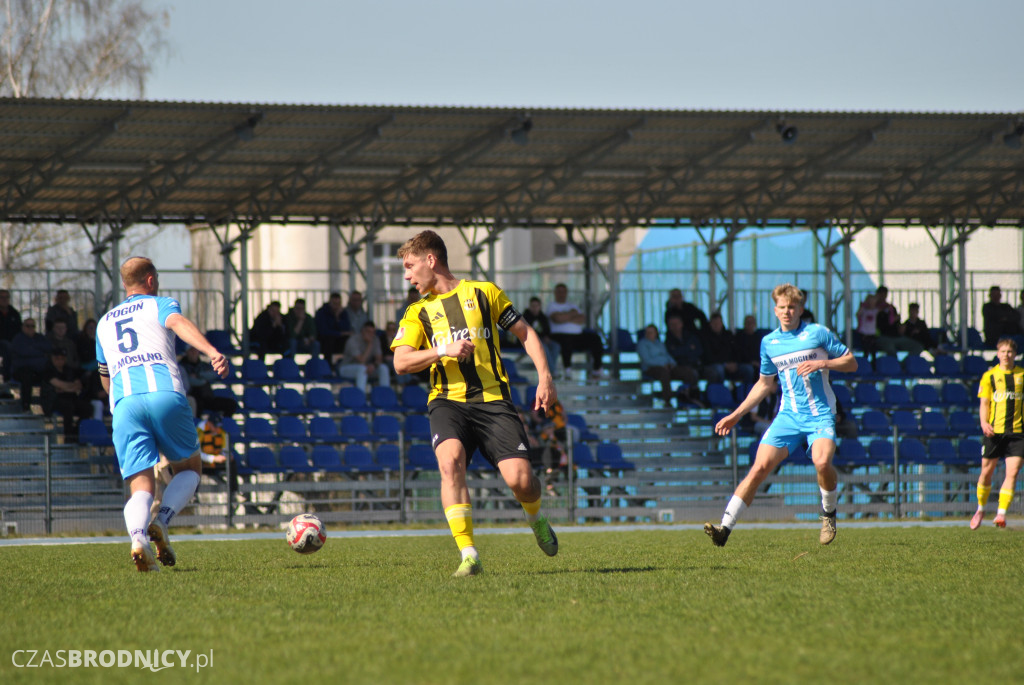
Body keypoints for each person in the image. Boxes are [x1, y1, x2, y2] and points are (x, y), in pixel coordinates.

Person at [390, 230, 558, 577]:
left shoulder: (484, 292)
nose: (407, 276)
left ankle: (536, 517)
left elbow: (525, 332)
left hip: (493, 399)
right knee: (449, 463)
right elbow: (401, 362)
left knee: (521, 481)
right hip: (447, 401)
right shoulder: (416, 312)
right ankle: (469, 555)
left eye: (409, 266)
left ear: (430, 260)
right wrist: (443, 350)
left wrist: (544, 376)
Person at [95, 256, 228, 572]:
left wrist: (118, 403)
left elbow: (105, 375)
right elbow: (178, 324)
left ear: (124, 284)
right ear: (151, 280)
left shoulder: (104, 322)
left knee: (140, 485)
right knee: (190, 468)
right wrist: (212, 352)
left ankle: (138, 539)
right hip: (164, 395)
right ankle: (162, 522)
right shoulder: (161, 304)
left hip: (124, 403)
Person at [706, 284, 857, 547]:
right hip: (788, 418)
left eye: (792, 307)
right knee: (758, 468)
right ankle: (724, 529)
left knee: (822, 463)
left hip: (820, 415)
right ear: (775, 310)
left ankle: (829, 513)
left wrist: (823, 363)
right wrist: (736, 414)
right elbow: (764, 384)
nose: (787, 311)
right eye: (782, 307)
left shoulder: (817, 333)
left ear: (800, 309)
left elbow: (852, 362)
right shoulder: (769, 343)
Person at [969, 337, 1024, 529]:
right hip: (994, 432)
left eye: (1009, 352)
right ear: (997, 353)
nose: (1006, 355)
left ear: (1015, 354)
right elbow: (984, 403)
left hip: (1017, 433)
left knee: (1013, 472)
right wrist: (984, 422)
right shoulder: (989, 376)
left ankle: (1001, 513)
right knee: (986, 472)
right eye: (1002, 351)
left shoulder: (1022, 375)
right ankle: (981, 508)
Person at [547, 283, 605, 379]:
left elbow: (582, 319)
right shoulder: (551, 306)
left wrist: (564, 316)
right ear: (555, 293)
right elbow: (557, 319)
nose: (561, 294)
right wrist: (572, 314)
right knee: (566, 340)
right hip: (559, 336)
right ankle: (567, 370)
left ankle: (597, 369)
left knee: (595, 338)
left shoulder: (572, 305)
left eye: (563, 292)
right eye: (559, 292)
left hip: (577, 336)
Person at [636, 323, 698, 404]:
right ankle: (668, 400)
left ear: (656, 333)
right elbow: (647, 360)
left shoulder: (660, 343)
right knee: (663, 373)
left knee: (686, 372)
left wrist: (672, 364)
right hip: (651, 368)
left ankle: (690, 395)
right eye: (647, 332)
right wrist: (663, 365)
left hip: (667, 366)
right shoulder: (642, 344)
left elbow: (667, 355)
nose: (649, 334)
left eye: (651, 332)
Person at [40, 348, 91, 441]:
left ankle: (76, 434)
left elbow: (78, 385)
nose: (60, 361)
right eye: (57, 358)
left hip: (71, 398)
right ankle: (68, 437)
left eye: (62, 358)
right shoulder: (48, 371)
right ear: (52, 358)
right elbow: (60, 384)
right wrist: (69, 386)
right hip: (53, 401)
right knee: (68, 407)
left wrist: (66, 388)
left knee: (87, 408)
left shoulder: (69, 370)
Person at [178, 345, 239, 416]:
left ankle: (220, 421)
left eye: (195, 350)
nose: (194, 353)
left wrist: (198, 375)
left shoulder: (203, 365)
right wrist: (203, 379)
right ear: (187, 352)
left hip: (207, 397)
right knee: (196, 403)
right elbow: (189, 381)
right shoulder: (181, 366)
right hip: (192, 396)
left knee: (231, 404)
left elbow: (213, 375)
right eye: (191, 350)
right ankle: (198, 422)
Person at [700, 311, 755, 385]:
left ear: (722, 323)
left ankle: (747, 390)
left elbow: (737, 351)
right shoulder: (705, 337)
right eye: (714, 323)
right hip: (715, 365)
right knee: (719, 370)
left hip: (732, 365)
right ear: (710, 324)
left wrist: (735, 363)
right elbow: (708, 357)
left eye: (718, 323)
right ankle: (721, 391)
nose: (716, 325)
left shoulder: (728, 335)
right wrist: (725, 364)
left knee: (748, 369)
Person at [336, 321, 390, 393]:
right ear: (362, 331)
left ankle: (385, 395)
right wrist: (370, 344)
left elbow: (379, 359)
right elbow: (361, 361)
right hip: (346, 368)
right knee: (362, 369)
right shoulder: (353, 340)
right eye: (368, 331)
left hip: (367, 368)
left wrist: (373, 365)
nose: (370, 334)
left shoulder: (375, 339)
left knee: (383, 368)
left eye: (372, 332)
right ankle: (361, 396)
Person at [10, 318, 51, 411]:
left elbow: (48, 347)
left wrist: (33, 347)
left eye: (33, 326)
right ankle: (26, 407)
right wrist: (40, 352)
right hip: (21, 370)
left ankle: (47, 409)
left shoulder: (40, 337)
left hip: (38, 370)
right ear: (22, 327)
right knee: (26, 376)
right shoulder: (18, 339)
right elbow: (24, 352)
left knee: (49, 376)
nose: (30, 328)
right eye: (27, 326)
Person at [874, 286, 924, 356]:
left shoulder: (891, 308)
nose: (883, 296)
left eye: (885, 294)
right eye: (881, 294)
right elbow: (878, 325)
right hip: (883, 337)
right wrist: (891, 321)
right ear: (877, 295)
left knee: (918, 347)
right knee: (891, 351)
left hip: (897, 337)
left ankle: (905, 362)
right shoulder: (872, 309)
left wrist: (901, 327)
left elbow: (897, 322)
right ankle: (894, 362)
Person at [521, 296, 561, 374]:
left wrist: (547, 337)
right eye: (533, 306)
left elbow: (547, 331)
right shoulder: (525, 317)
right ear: (530, 306)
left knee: (556, 346)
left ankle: (550, 370)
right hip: (530, 341)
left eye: (536, 306)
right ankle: (551, 371)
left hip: (543, 339)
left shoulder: (543, 317)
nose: (534, 308)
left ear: (540, 306)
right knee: (543, 347)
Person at [315, 292, 350, 364]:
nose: (336, 306)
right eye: (334, 303)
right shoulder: (322, 312)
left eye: (338, 304)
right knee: (329, 340)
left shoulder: (343, 313)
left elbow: (346, 328)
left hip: (338, 339)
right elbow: (323, 331)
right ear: (330, 303)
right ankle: (328, 365)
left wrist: (337, 318)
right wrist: (340, 333)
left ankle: (342, 364)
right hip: (325, 339)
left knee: (347, 340)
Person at [0, 289, 22, 381]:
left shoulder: (14, 313)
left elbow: (19, 330)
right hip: (3, 344)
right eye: (2, 297)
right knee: (7, 348)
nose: (4, 299)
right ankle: (7, 380)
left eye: (7, 297)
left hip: (13, 343)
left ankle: (11, 379)